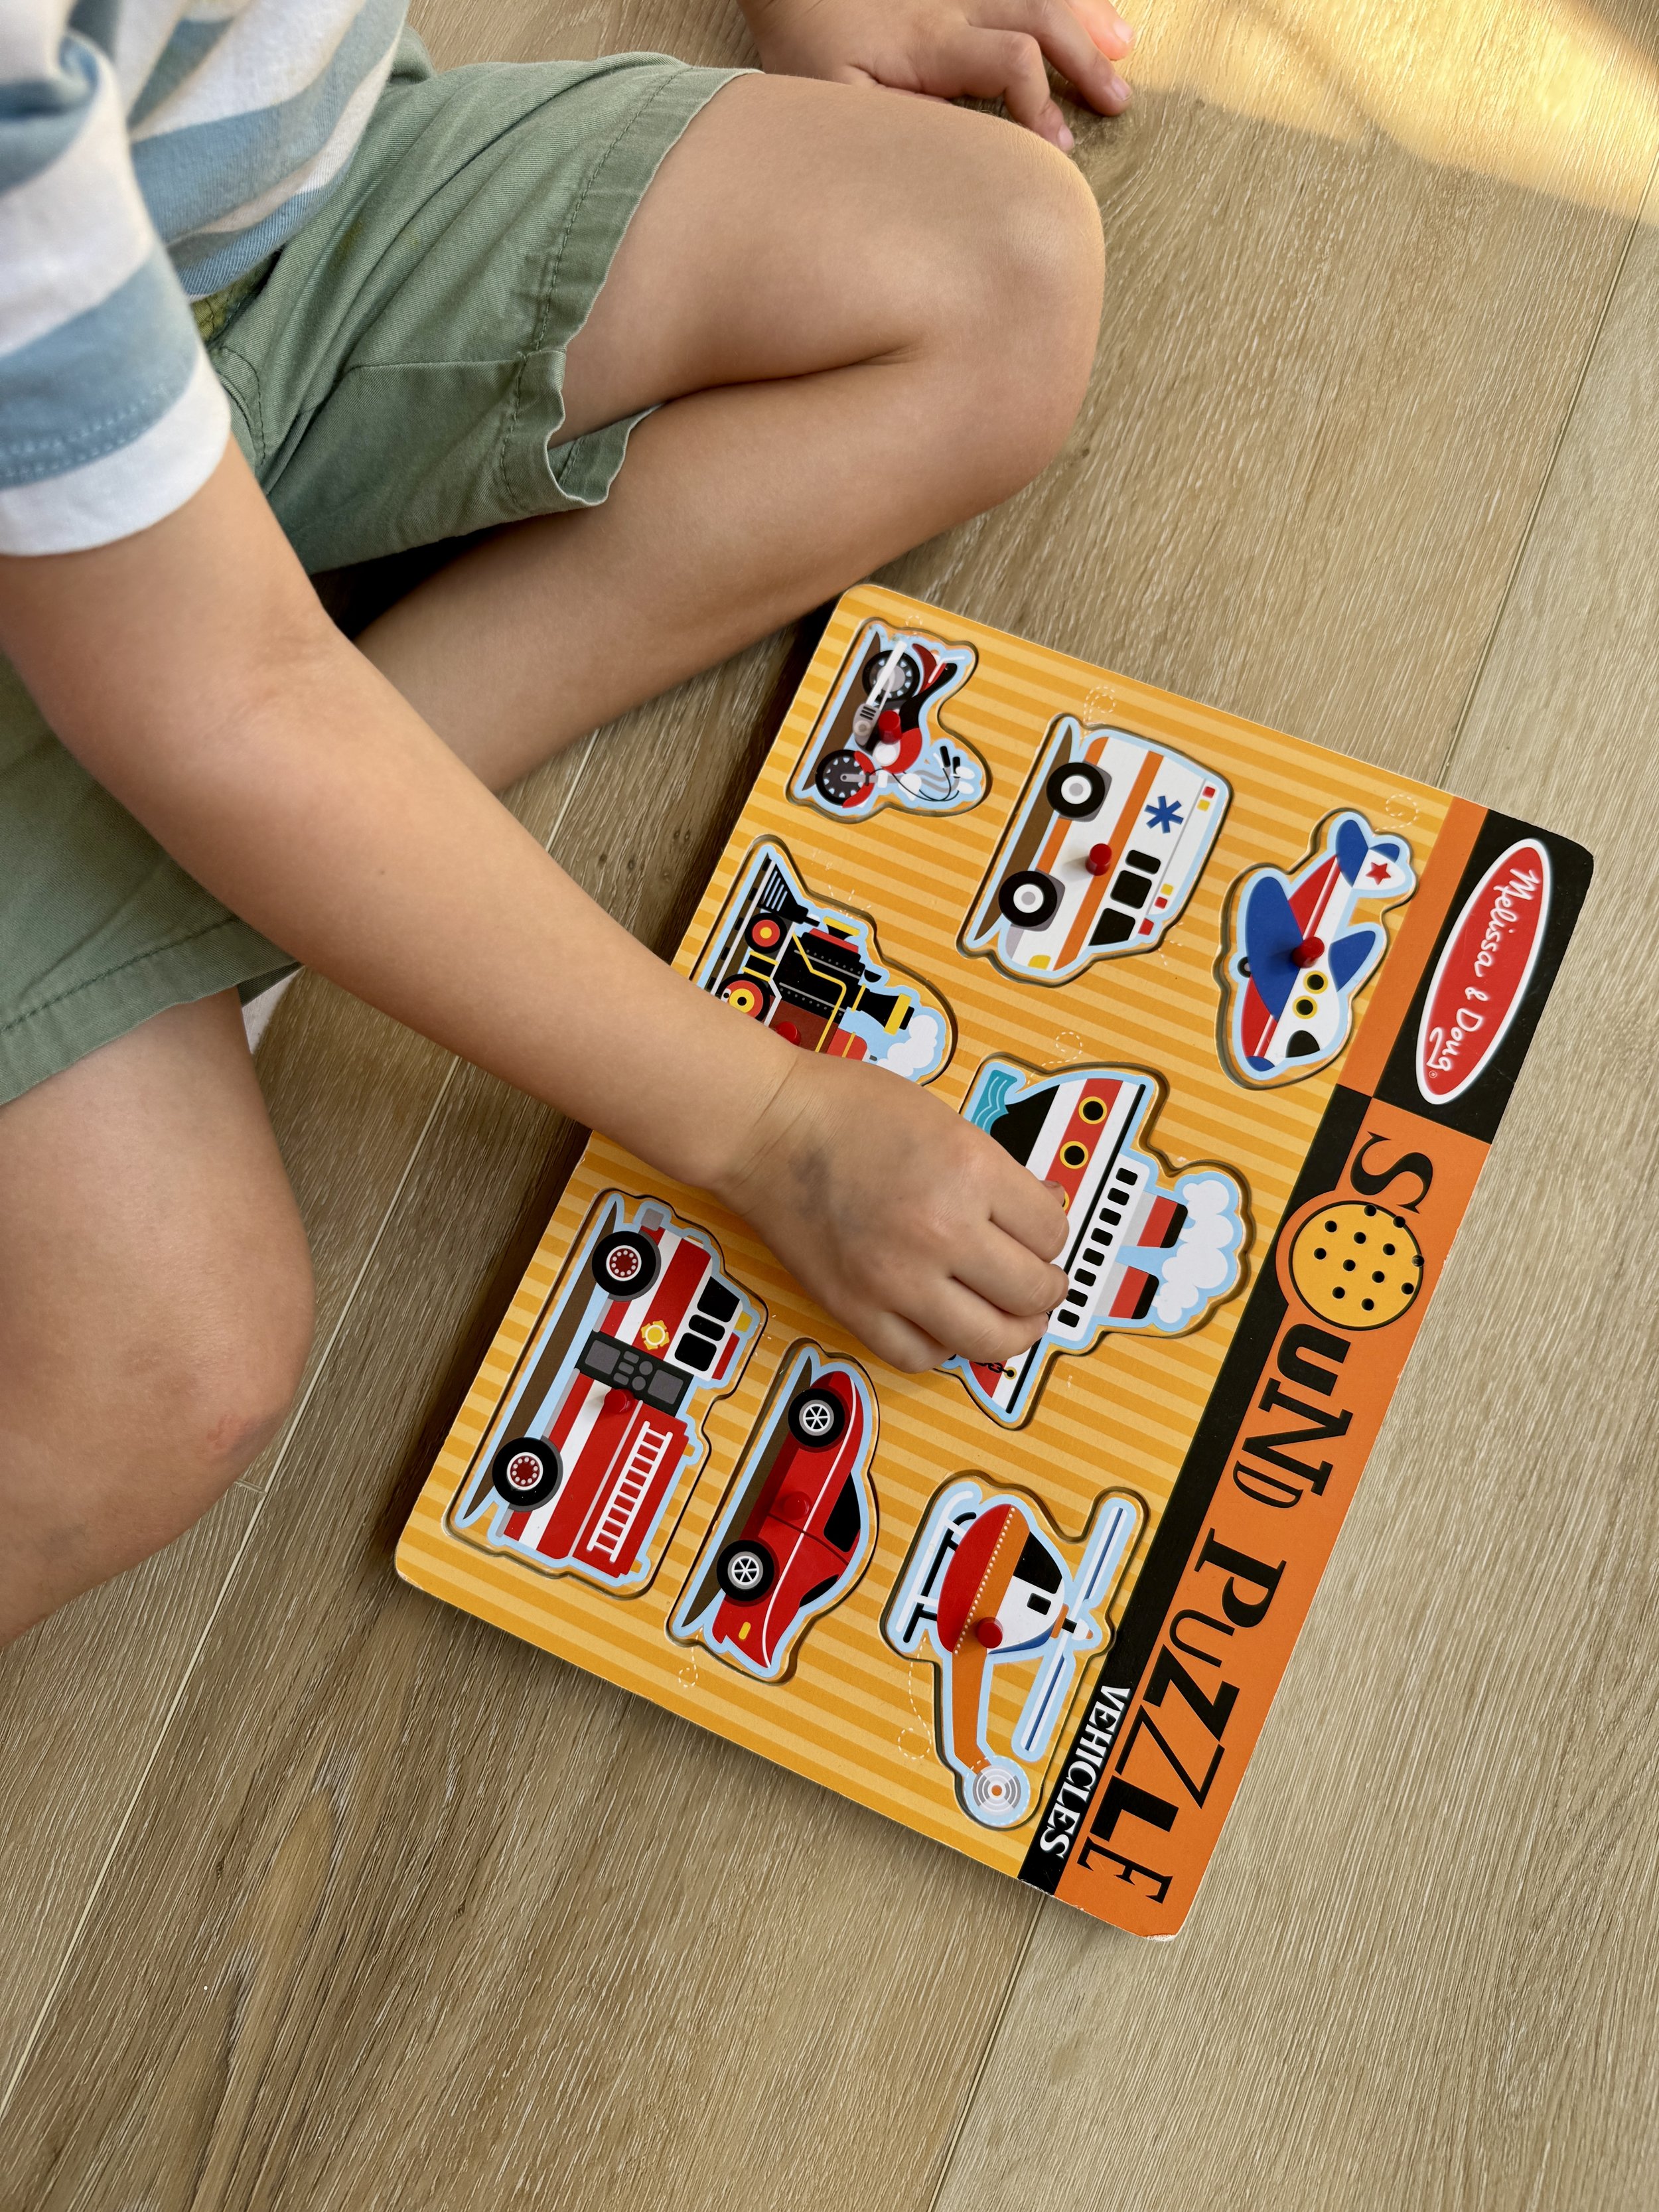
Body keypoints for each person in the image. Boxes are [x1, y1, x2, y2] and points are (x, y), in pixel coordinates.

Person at [0, 0, 1127, 1642]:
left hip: (249, 226)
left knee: (1004, 267)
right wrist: (772, 1123)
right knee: (163, 1375)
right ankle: (250, 881)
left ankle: (225, 896)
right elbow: (225, 696)